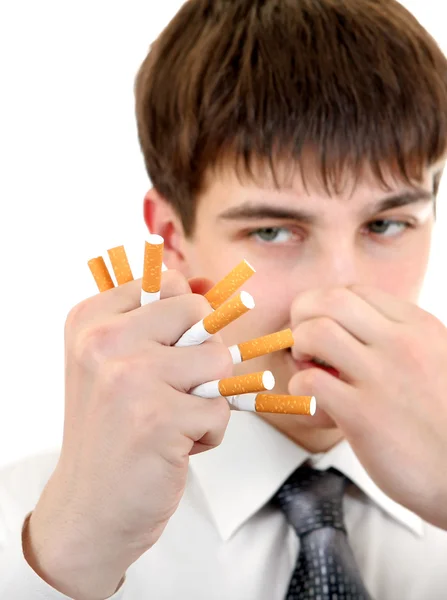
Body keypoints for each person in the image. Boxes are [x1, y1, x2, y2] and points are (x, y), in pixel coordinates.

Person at [2, 0, 447, 598]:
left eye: (388, 224)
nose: (339, 294)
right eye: (271, 231)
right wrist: (70, 561)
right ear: (171, 240)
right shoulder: (33, 533)